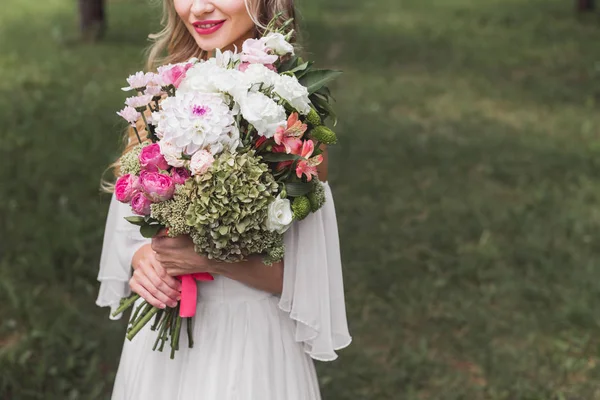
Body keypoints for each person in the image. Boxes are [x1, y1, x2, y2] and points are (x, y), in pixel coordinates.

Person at [96, 0, 351, 398]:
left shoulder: (292, 120)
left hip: (248, 344)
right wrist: (143, 258)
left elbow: (303, 278)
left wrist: (205, 259)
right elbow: (130, 218)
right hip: (161, 353)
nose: (198, 7)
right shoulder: (164, 90)